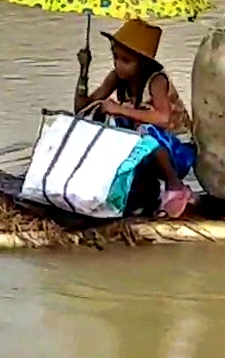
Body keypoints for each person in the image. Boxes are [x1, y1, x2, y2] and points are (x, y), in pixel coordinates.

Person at [74, 18, 196, 218]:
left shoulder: (157, 80)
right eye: (116, 58)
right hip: (148, 147)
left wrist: (120, 109)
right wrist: (84, 70)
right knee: (104, 120)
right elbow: (82, 109)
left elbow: (163, 119)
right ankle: (143, 190)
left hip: (177, 151)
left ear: (143, 62)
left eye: (126, 61)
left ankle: (175, 186)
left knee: (144, 131)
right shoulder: (117, 77)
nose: (118, 66)